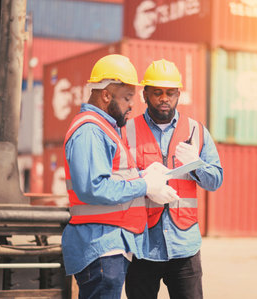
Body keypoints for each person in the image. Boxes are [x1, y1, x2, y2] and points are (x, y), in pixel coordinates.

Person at [61, 54, 179, 299]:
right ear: (106, 95)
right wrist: (144, 185)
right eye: (126, 98)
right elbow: (93, 188)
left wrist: (144, 174)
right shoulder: (90, 130)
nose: (131, 105)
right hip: (100, 246)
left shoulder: (104, 129)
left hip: (108, 246)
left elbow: (112, 177)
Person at [123, 59, 223, 299]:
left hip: (184, 246)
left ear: (179, 94)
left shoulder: (196, 131)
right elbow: (116, 178)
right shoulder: (127, 131)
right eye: (157, 92)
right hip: (142, 246)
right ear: (144, 94)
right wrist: (143, 180)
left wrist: (196, 166)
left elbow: (216, 180)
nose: (164, 98)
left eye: (170, 92)